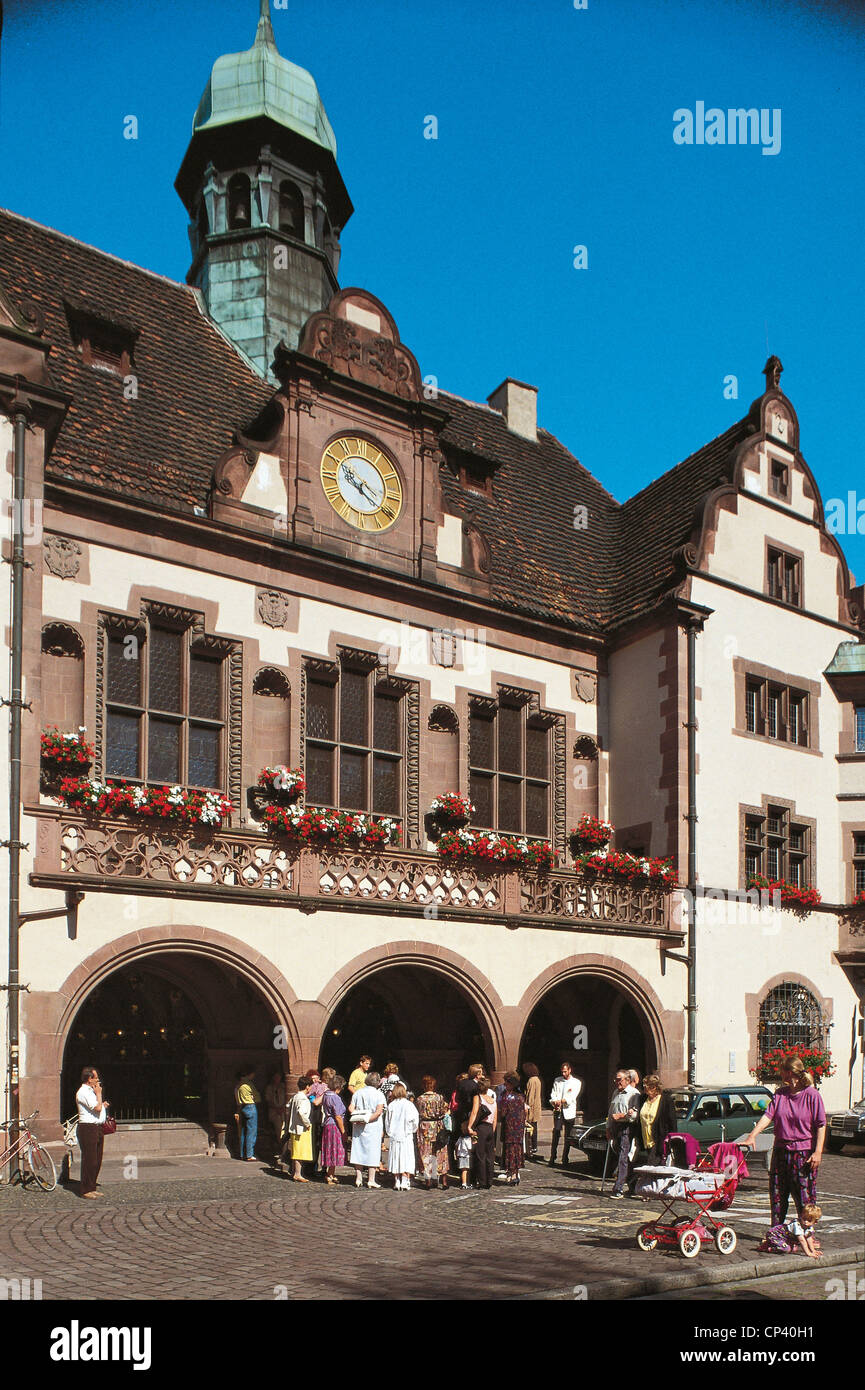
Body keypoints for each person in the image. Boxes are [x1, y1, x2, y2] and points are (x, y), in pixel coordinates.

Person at [740, 1054, 827, 1226]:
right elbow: (767, 1116)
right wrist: (752, 1136)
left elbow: (821, 1125)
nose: (780, 1074)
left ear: (790, 1073)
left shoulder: (812, 1095)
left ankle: (808, 1235)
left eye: (782, 1071)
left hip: (803, 1154)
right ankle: (776, 1232)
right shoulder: (780, 1095)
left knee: (804, 1197)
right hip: (780, 1151)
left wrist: (818, 1152)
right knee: (778, 1195)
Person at [76, 1066, 109, 1199]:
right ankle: (85, 1189)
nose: (98, 1080)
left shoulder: (90, 1091)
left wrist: (102, 1104)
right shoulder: (83, 1092)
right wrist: (99, 1094)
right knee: (89, 1160)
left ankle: (91, 1186)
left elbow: (99, 1107)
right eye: (95, 1077)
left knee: (97, 1159)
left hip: (97, 1127)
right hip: (88, 1128)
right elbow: (96, 1107)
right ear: (89, 1079)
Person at [348, 1069, 386, 1187]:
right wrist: (368, 1119)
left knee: (358, 1150)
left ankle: (358, 1178)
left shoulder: (358, 1093)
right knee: (373, 1151)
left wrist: (358, 1117)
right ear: (378, 1082)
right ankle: (371, 1179)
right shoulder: (379, 1094)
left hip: (358, 1125)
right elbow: (379, 1111)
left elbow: (350, 1108)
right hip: (373, 1125)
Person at [606, 1068, 639, 1197]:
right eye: (616, 1079)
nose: (616, 1082)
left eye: (619, 1080)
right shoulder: (616, 1092)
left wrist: (623, 1116)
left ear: (627, 1080)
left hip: (627, 1127)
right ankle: (633, 1185)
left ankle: (618, 1187)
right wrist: (608, 1128)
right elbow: (610, 1111)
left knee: (623, 1157)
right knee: (623, 1156)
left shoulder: (634, 1093)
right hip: (616, 1127)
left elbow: (635, 1115)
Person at [634, 1072, 677, 1166]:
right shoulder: (643, 1099)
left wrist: (672, 1140)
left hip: (659, 1140)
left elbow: (672, 1122)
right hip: (645, 1140)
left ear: (654, 1087)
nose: (644, 1088)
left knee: (652, 1166)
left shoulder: (666, 1100)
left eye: (646, 1086)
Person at [415, 1076, 450, 1189]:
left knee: (426, 1152)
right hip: (437, 1126)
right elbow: (444, 1111)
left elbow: (418, 1112)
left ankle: (428, 1180)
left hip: (425, 1126)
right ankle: (444, 1181)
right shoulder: (439, 1097)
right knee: (440, 1152)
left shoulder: (420, 1099)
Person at [385, 1084, 419, 1190]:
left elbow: (387, 1122)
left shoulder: (391, 1105)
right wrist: (412, 1130)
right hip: (406, 1135)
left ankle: (397, 1181)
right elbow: (415, 1120)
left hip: (395, 1136)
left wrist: (390, 1132)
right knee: (406, 1157)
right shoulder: (409, 1105)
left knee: (396, 1157)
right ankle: (405, 1179)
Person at [549, 1061, 582, 1166]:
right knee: (556, 1132)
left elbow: (572, 1096)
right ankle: (552, 1156)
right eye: (562, 1072)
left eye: (565, 1071)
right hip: (558, 1110)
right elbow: (553, 1093)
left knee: (568, 1135)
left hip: (568, 1110)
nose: (563, 1074)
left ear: (569, 1070)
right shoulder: (557, 1081)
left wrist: (563, 1101)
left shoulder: (576, 1082)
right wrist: (554, 1101)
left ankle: (565, 1157)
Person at [468, 1075, 498, 1189]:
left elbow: (474, 1112)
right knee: (490, 1156)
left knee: (480, 1155)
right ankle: (489, 1180)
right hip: (490, 1128)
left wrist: (470, 1127)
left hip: (481, 1127)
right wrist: (492, 1130)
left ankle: (482, 1181)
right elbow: (495, 1118)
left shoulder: (478, 1098)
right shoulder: (493, 1101)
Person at [500, 1072, 528, 1184]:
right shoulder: (521, 1096)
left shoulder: (509, 1097)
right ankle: (515, 1172)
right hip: (517, 1127)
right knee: (516, 1148)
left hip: (511, 1126)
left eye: (506, 1082)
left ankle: (512, 1173)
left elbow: (503, 1112)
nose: (505, 1084)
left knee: (511, 1149)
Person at [320, 1073, 348, 1185]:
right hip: (334, 1126)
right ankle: (329, 1175)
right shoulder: (335, 1097)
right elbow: (338, 1116)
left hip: (327, 1124)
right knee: (335, 1149)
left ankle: (331, 1173)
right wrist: (343, 1131)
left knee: (330, 1149)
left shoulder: (326, 1095)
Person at [286, 1076, 314, 1182]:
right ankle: (297, 1174)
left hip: (294, 1127)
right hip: (301, 1128)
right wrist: (307, 1123)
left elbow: (287, 1106)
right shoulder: (303, 1099)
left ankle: (295, 1172)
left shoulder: (295, 1097)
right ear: (307, 1086)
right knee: (300, 1152)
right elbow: (301, 1112)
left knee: (296, 1151)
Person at [235, 1066, 261, 1162]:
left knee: (243, 1132)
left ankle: (243, 1153)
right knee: (251, 1131)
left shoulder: (238, 1085)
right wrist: (256, 1097)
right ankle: (249, 1154)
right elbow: (257, 1096)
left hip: (243, 1107)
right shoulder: (247, 1084)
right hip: (250, 1106)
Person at [522, 1062, 542, 1160]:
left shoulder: (532, 1080)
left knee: (531, 1129)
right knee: (534, 1127)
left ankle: (531, 1148)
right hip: (536, 1108)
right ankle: (534, 1147)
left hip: (532, 1109)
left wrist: (527, 1108)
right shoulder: (537, 1080)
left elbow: (530, 1097)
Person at [264, 1068, 287, 1155]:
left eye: (278, 1077)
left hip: (283, 1110)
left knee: (284, 1128)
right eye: (275, 1077)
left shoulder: (284, 1086)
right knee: (279, 1128)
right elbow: (268, 1100)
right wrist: (276, 1109)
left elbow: (287, 1097)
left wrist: (283, 1108)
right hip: (274, 1112)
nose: (277, 1078)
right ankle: (281, 1147)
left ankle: (283, 1148)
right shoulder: (270, 1088)